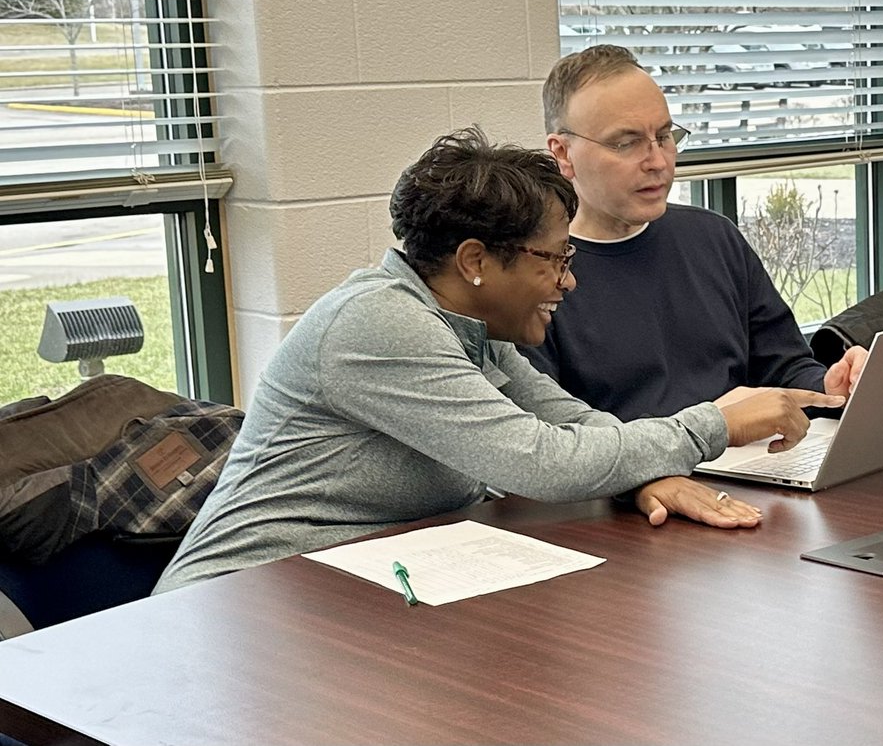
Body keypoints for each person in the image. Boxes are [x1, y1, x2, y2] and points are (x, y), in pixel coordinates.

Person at [154, 128, 843, 594]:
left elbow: (573, 425)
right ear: (476, 260)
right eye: (555, 260)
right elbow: (539, 461)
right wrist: (715, 424)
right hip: (243, 601)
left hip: (366, 580)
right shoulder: (378, 322)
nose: (568, 282)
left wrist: (640, 477)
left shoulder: (463, 325)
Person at [519, 44, 867, 422]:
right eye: (626, 143)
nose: (657, 161)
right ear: (563, 153)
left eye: (665, 136)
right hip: (638, 476)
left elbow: (784, 368)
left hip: (757, 467)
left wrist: (829, 386)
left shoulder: (713, 237)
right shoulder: (533, 273)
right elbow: (556, 438)